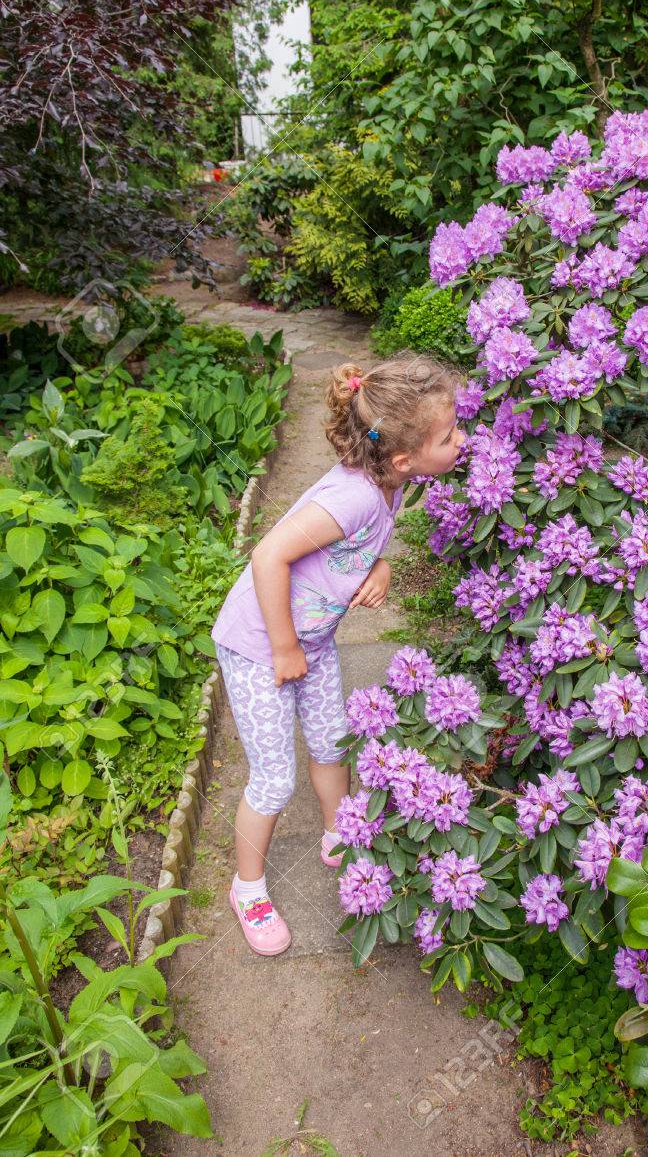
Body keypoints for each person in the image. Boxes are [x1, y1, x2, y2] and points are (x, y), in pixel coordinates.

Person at [210, 352, 464, 955]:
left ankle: (339, 831)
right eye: (450, 436)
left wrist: (379, 563)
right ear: (404, 457)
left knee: (332, 743)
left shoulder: (390, 483)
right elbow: (268, 556)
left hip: (311, 643)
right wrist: (283, 647)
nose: (463, 442)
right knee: (273, 781)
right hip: (259, 646)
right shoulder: (351, 496)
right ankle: (247, 888)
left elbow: (361, 541)